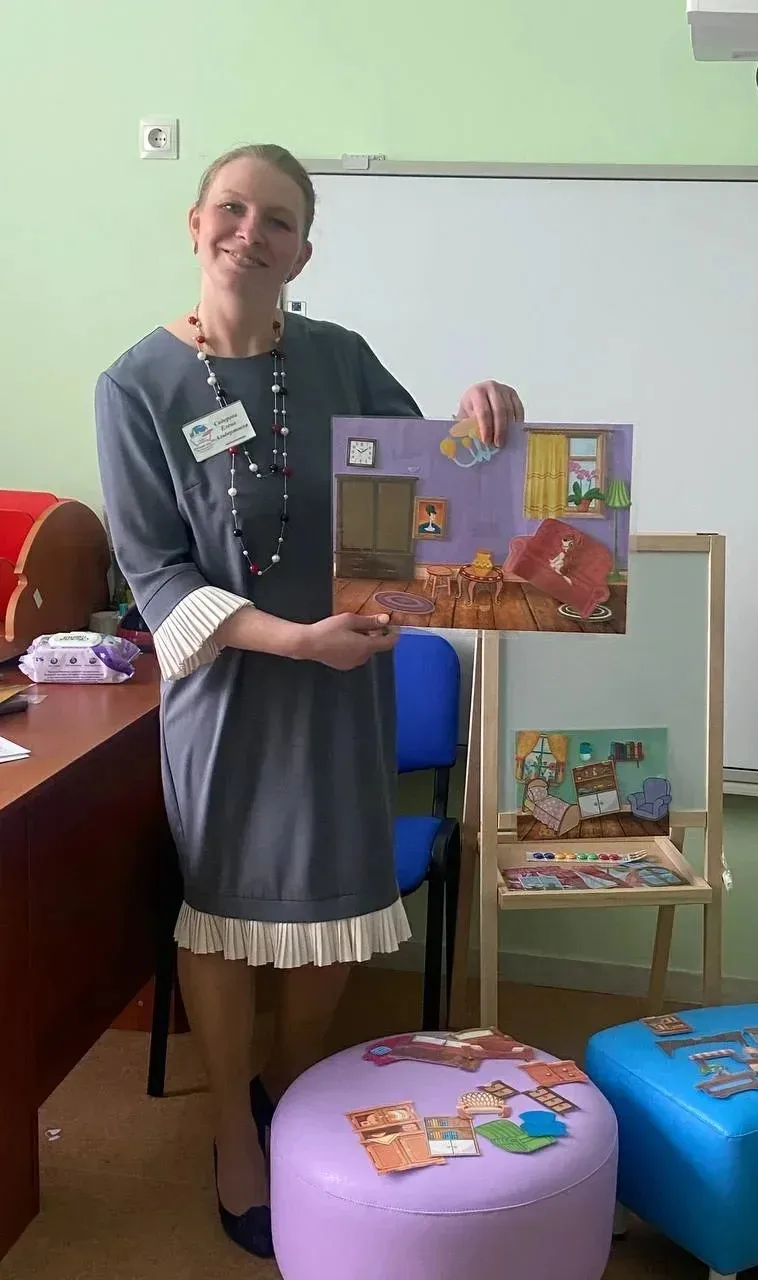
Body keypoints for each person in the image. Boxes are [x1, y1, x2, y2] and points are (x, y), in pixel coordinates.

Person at [94, 143, 524, 1260]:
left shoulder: (340, 357)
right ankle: (233, 1129)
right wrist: (293, 641)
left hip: (345, 687)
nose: (252, 232)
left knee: (338, 894)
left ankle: (289, 1093)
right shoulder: (135, 386)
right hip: (230, 692)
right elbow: (156, 573)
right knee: (226, 909)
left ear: (303, 251)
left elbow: (431, 488)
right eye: (233, 209)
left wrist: (485, 421)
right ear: (195, 223)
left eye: (277, 220)